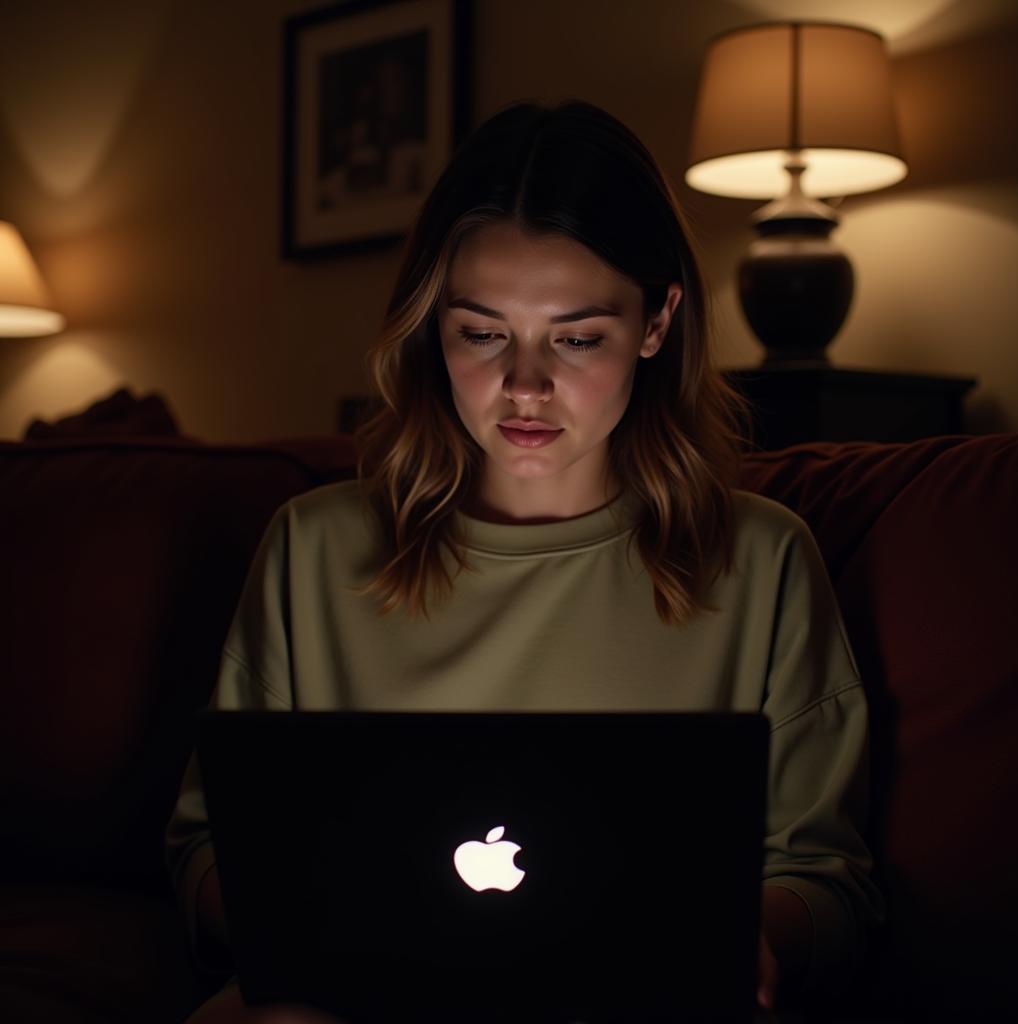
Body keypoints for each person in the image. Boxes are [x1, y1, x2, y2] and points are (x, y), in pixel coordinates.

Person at [166, 99, 886, 1023]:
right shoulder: (314, 550)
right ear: (435, 325)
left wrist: (746, 938)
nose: (526, 386)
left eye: (578, 338)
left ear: (657, 321)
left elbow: (827, 882)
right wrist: (312, 925)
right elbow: (204, 849)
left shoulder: (760, 559)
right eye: (481, 332)